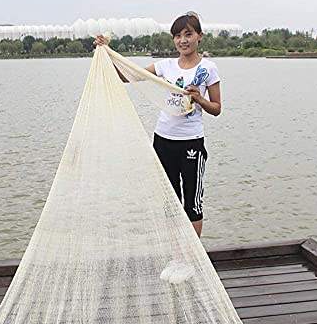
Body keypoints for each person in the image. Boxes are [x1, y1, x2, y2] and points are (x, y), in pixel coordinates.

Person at [95, 12, 222, 237]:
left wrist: (200, 100)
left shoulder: (208, 69)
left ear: (199, 36)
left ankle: (192, 255)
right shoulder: (166, 66)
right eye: (177, 36)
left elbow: (216, 108)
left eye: (188, 34)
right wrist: (107, 52)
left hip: (191, 142)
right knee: (170, 201)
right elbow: (127, 76)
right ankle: (176, 250)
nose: (183, 40)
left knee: (193, 204)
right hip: (163, 141)